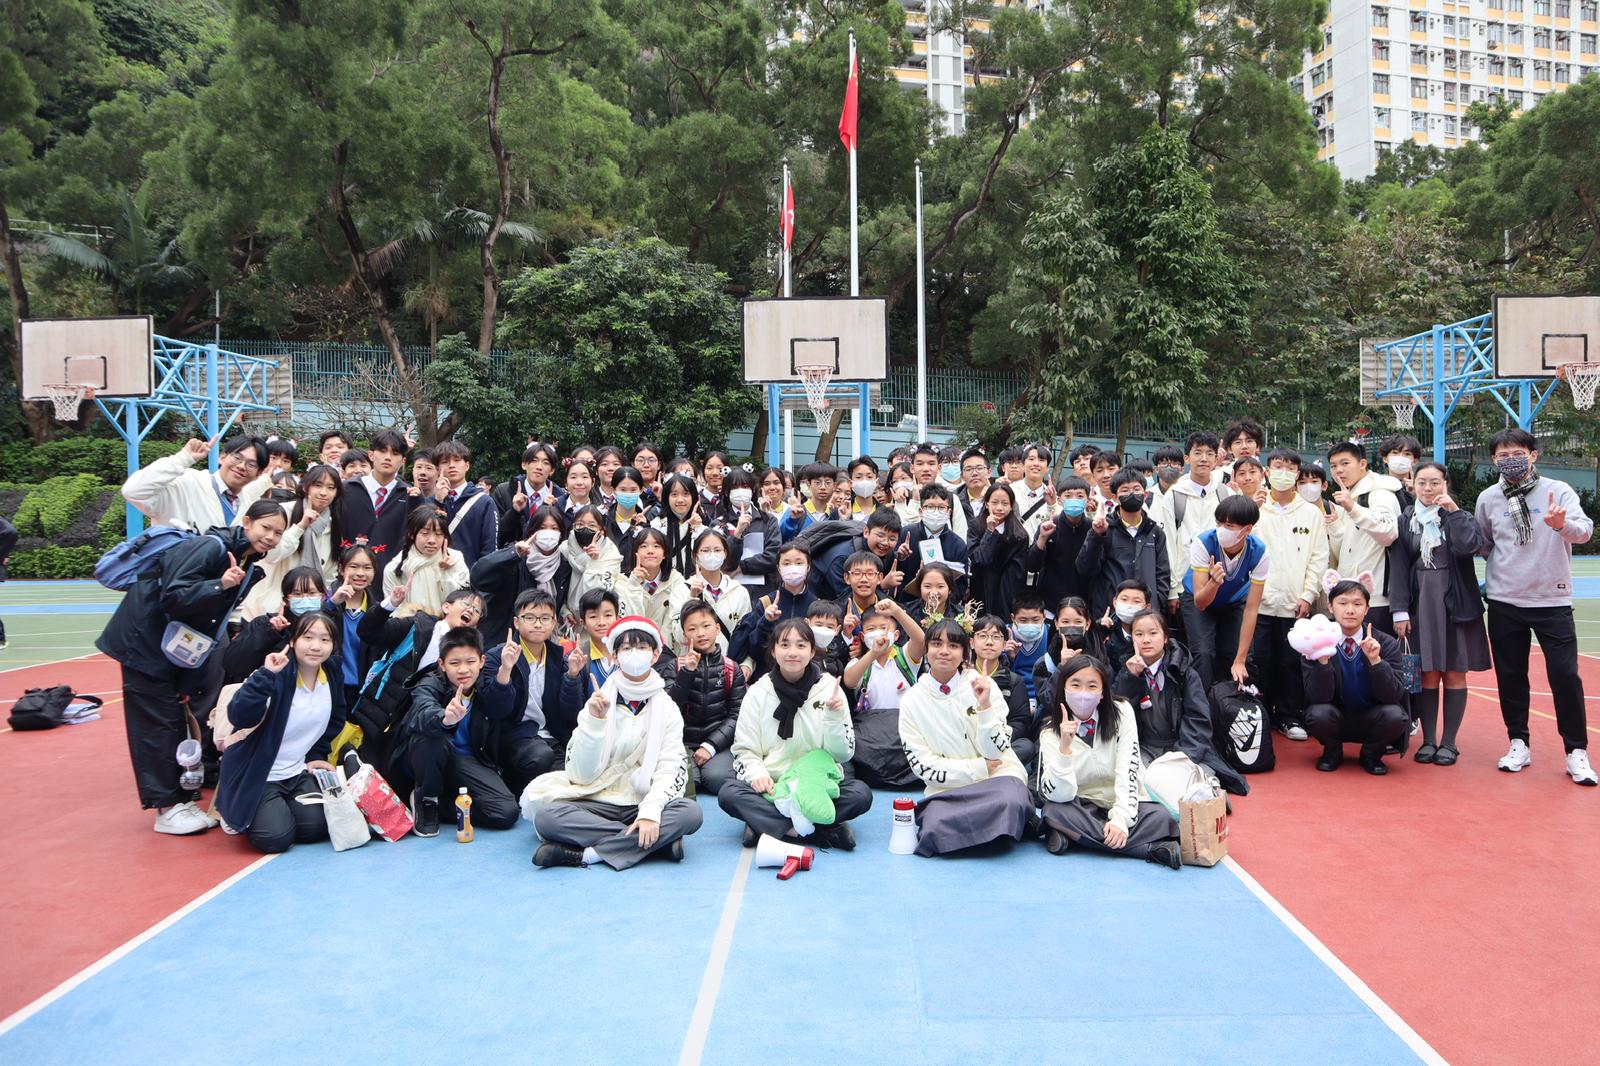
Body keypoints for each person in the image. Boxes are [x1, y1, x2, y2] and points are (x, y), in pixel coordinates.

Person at [96, 500, 286, 835]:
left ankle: (179, 801)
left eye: (278, 532)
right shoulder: (210, 547)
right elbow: (173, 595)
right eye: (265, 527)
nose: (270, 537)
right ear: (247, 522)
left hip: (172, 650)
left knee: (172, 722)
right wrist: (220, 584)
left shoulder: (244, 560)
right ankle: (166, 808)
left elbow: (207, 622)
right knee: (154, 726)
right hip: (145, 645)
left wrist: (187, 677)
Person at [525, 616, 703, 869]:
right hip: (599, 800)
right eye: (626, 648)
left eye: (642, 647)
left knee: (690, 813)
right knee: (547, 818)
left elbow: (670, 767)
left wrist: (650, 814)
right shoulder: (598, 702)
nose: (634, 654)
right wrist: (595, 723)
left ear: (655, 655)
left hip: (643, 800)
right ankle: (654, 843)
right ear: (615, 656)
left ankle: (587, 855)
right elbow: (580, 774)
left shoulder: (668, 709)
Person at [1474, 428, 1596, 784]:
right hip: (1504, 600)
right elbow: (1484, 543)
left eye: (1517, 453)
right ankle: (1518, 743)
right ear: (1494, 460)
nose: (1510, 460)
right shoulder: (1488, 498)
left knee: (1565, 676)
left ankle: (1576, 751)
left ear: (1533, 455)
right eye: (1502, 455)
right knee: (1511, 676)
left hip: (1551, 600)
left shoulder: (1559, 490)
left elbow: (1585, 531)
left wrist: (1562, 525)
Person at [719, 618, 872, 848]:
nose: (792, 652)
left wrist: (834, 717)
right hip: (773, 786)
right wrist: (757, 774)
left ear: (812, 651)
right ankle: (815, 831)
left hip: (816, 785)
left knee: (860, 793)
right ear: (773, 651)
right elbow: (745, 749)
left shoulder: (829, 689)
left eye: (801, 645)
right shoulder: (759, 692)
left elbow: (842, 754)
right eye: (784, 645)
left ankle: (766, 825)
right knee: (729, 793)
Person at [899, 619, 1033, 856]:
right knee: (935, 826)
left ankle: (994, 826)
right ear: (926, 649)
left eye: (953, 646)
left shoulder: (985, 686)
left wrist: (985, 708)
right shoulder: (912, 699)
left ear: (964, 652)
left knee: (1011, 800)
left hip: (997, 779)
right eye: (937, 644)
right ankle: (1002, 828)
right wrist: (978, 768)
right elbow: (922, 765)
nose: (944, 651)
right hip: (947, 788)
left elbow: (996, 751)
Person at [215, 613, 346, 852]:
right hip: (258, 772)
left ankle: (274, 809)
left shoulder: (332, 673)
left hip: (296, 771)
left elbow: (334, 720)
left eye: (325, 639)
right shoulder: (277, 672)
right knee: (275, 838)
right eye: (308, 637)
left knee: (316, 827)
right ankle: (235, 809)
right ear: (293, 641)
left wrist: (316, 756)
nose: (316, 646)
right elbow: (239, 716)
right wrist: (265, 676)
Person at [1035, 654, 1181, 868]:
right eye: (1075, 684)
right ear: (1063, 689)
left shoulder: (1122, 712)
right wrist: (1064, 749)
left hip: (1124, 801)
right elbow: (1059, 794)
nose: (1083, 693)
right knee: (1053, 812)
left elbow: (1128, 769)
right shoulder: (1050, 733)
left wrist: (1120, 820)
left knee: (1161, 817)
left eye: (1092, 686)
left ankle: (1078, 839)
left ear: (1103, 692)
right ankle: (1148, 850)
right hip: (1083, 805)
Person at [1391, 462, 1490, 766]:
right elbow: (1398, 566)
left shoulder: (1459, 516)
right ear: (1413, 484)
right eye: (1422, 482)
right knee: (1427, 672)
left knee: (1455, 671)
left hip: (1455, 601)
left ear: (1445, 483)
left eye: (1435, 482)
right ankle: (1429, 740)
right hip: (1421, 601)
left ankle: (1449, 742)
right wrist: (1399, 610)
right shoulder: (1406, 520)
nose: (1428, 488)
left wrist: (1454, 511)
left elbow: (1469, 547)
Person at [395, 625, 522, 836]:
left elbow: (501, 708)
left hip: (465, 761)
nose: (463, 670)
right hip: (426, 757)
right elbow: (422, 712)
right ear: (442, 664)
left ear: (482, 661)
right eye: (455, 663)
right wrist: (445, 718)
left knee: (505, 813)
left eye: (470, 662)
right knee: (434, 737)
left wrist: (506, 669)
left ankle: (442, 803)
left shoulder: (483, 684)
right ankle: (427, 800)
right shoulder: (430, 683)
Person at [351, 587, 486, 777]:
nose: (470, 610)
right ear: (446, 607)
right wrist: (390, 604)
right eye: (466, 603)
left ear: (476, 624)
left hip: (419, 722)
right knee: (366, 777)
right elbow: (368, 631)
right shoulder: (418, 626)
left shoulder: (471, 655)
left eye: (477, 610)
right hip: (382, 716)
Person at [1112, 608, 1243, 796]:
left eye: (1153, 633)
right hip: (1144, 749)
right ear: (1132, 638)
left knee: (1185, 781)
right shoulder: (1126, 669)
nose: (1146, 640)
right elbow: (1116, 714)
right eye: (1139, 634)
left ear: (1165, 637)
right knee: (1138, 783)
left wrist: (1180, 758)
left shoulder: (1184, 672)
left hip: (1182, 747)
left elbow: (1198, 720)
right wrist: (1130, 678)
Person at [1253, 449, 1330, 741]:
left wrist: (1308, 594)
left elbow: (1319, 558)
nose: (1283, 472)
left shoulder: (1311, 513)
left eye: (1289, 468)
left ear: (1297, 474)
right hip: (1258, 603)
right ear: (1267, 471)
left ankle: (1287, 716)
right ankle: (1259, 715)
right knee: (1259, 660)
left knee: (1290, 662)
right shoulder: (1255, 509)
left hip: (1295, 602)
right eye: (1277, 466)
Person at [1301, 577, 1409, 775]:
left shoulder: (1385, 643)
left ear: (1367, 609)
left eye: (1357, 604)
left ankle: (1371, 754)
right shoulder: (1315, 641)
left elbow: (1393, 695)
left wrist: (1376, 661)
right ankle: (1332, 751)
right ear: (1330, 607)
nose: (1350, 610)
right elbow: (1316, 697)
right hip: (1334, 716)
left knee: (1395, 716)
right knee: (1317, 714)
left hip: (1372, 717)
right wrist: (1323, 661)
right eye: (1342, 603)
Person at [1182, 495, 1268, 693]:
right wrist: (1213, 583)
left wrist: (1240, 660)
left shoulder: (1260, 552)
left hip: (1234, 602)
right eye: (1219, 523)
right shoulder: (1203, 542)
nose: (1221, 529)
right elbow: (1200, 603)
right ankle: (1200, 705)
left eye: (1229, 525)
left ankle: (1233, 703)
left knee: (1238, 654)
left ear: (1247, 529)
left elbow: (1251, 609)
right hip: (1198, 599)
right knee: (1203, 653)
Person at [485, 590, 568, 793]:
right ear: (516, 622)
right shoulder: (497, 656)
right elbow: (496, 710)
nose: (538, 624)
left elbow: (568, 710)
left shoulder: (558, 659)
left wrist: (573, 678)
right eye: (529, 618)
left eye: (545, 618)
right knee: (540, 757)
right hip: (514, 737)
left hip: (550, 736)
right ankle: (512, 785)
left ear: (554, 622)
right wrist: (505, 669)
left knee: (566, 781)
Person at [842, 600, 927, 787]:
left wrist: (897, 611)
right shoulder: (858, 663)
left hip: (904, 732)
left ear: (895, 635)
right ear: (863, 636)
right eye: (872, 629)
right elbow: (849, 681)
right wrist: (873, 653)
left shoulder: (906, 657)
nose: (879, 633)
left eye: (884, 628)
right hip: (871, 737)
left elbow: (921, 640)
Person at [241, 464, 342, 619]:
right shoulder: (282, 512)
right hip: (269, 605)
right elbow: (271, 554)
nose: (324, 492)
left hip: (309, 609)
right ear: (305, 487)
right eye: (318, 485)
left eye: (331, 487)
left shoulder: (332, 524)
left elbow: (329, 570)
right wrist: (300, 526)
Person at [672, 599, 747, 795]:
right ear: (684, 635)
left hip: (718, 744)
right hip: (681, 743)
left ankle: (704, 766)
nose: (700, 633)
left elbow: (737, 715)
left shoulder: (731, 669)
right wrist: (687, 673)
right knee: (688, 781)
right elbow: (668, 709)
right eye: (692, 629)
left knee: (717, 779)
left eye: (706, 626)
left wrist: (711, 746)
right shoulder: (674, 666)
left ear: (717, 628)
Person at [1325, 442, 1401, 634]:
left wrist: (1353, 508)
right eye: (1333, 466)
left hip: (1375, 599)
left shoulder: (1379, 493)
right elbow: (1346, 551)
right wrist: (1336, 526)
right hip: (1350, 594)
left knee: (1374, 649)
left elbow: (1389, 533)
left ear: (1362, 464)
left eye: (1345, 463)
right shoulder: (1351, 495)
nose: (1338, 470)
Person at [1078, 468, 1170, 621]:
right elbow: (1085, 569)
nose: (1132, 494)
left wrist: (1156, 602)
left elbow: (1163, 574)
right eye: (1125, 490)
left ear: (1145, 494)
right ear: (1115, 497)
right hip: (1110, 614)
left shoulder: (1155, 532)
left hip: (1146, 614)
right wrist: (1096, 535)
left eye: (1136, 489)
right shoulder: (1104, 528)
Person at [122, 434, 268, 530]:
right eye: (237, 458)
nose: (241, 466)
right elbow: (133, 491)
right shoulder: (186, 482)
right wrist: (183, 458)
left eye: (251, 464)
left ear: (259, 473)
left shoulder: (248, 506)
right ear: (222, 457)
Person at [1155, 431, 1229, 620]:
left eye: (1209, 453)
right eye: (1198, 453)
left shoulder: (1225, 493)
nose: (1204, 458)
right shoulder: (1174, 495)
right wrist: (1173, 590)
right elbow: (1169, 544)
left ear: (1216, 459)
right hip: (1185, 586)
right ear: (1187, 458)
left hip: (1222, 582)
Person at [471, 505, 573, 639]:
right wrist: (513, 553)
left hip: (539, 639)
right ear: (532, 531)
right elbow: (478, 577)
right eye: (542, 528)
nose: (548, 533)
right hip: (503, 637)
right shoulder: (516, 556)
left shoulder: (563, 565)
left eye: (554, 528)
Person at [223, 565, 329, 684]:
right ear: (285, 600)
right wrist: (270, 631)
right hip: (267, 690)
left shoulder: (328, 628)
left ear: (322, 597)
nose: (305, 599)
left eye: (312, 593)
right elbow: (233, 665)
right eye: (297, 594)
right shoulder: (264, 624)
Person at [729, 543, 818, 676]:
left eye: (799, 563)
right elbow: (754, 651)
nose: (793, 567)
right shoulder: (766, 602)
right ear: (779, 568)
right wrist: (766, 622)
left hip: (806, 678)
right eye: (786, 563)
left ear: (808, 566)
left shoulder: (816, 606)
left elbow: (821, 650)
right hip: (769, 678)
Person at [341, 429, 414, 580]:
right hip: (349, 577)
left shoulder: (409, 495)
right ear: (371, 455)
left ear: (403, 461)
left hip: (392, 579)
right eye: (382, 451)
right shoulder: (346, 490)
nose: (388, 457)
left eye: (395, 453)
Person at [970, 615, 1038, 766]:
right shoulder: (961, 676)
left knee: (1026, 746)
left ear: (1004, 645)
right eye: (982, 636)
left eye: (996, 637)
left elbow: (1020, 722)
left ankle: (988, 764)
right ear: (971, 643)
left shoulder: (1014, 681)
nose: (989, 642)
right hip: (966, 740)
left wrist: (997, 739)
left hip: (1000, 742)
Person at [381, 505, 471, 618]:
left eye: (438, 534)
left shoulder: (456, 559)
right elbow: (393, 613)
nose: (432, 540)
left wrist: (447, 574)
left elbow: (463, 604)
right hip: (410, 627)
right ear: (411, 534)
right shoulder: (394, 568)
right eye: (425, 533)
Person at [1027, 475, 1093, 609]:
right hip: (1050, 602)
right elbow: (1032, 565)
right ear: (1060, 500)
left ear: (1088, 500)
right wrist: (1042, 538)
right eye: (1068, 496)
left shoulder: (1093, 528)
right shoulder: (1049, 526)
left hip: (1084, 602)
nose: (1074, 500)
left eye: (1080, 496)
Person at [895, 483, 969, 599]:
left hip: (942, 606)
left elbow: (960, 586)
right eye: (930, 507)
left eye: (941, 507)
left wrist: (941, 599)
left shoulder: (958, 545)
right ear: (921, 511)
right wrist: (899, 556)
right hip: (907, 604)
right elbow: (892, 571)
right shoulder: (906, 534)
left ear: (949, 513)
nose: (936, 512)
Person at [431, 441, 498, 568]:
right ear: (438, 469)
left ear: (467, 465)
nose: (451, 465)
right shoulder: (430, 502)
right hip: (435, 573)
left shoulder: (484, 502)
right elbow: (427, 534)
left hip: (470, 576)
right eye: (445, 462)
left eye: (457, 460)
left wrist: (479, 575)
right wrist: (438, 501)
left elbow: (490, 547)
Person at [617, 527, 689, 644]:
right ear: (635, 552)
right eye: (644, 546)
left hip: (668, 649)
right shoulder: (622, 582)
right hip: (635, 646)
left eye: (656, 546)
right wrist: (634, 585)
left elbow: (675, 622)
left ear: (664, 554)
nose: (650, 551)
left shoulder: (676, 580)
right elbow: (630, 620)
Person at [327, 545, 379, 709]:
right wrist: (331, 604)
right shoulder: (327, 603)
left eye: (367, 568)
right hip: (329, 687)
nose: (360, 573)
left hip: (362, 693)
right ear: (341, 569)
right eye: (354, 566)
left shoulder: (378, 612)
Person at [682, 528, 751, 648]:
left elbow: (746, 634)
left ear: (725, 553)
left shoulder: (740, 592)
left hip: (729, 659)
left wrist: (740, 660)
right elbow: (679, 636)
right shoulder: (682, 589)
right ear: (696, 555)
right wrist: (692, 598)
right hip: (693, 658)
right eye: (705, 550)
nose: (712, 555)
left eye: (717, 550)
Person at [970, 484, 1028, 619]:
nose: (999, 508)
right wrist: (990, 531)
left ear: (1011, 506)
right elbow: (979, 558)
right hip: (981, 590)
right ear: (987, 504)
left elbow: (1017, 575)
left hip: (1006, 595)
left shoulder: (1019, 535)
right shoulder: (976, 526)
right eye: (994, 503)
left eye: (1005, 503)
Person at [495, 441, 566, 547]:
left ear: (552, 470)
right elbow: (497, 535)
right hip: (513, 554)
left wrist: (547, 507)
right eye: (534, 461)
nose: (539, 467)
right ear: (524, 464)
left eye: (546, 463)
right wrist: (514, 511)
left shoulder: (559, 497)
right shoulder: (504, 491)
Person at [1009, 443, 1056, 540]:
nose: (1036, 463)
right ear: (1023, 465)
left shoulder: (1053, 498)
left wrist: (1052, 505)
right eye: (1031, 459)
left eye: (1041, 460)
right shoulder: (1010, 491)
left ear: (1048, 468)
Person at [955, 447, 992, 541]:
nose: (974, 473)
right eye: (968, 469)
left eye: (979, 468)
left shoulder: (1003, 498)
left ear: (989, 472)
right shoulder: (953, 500)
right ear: (962, 476)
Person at [1378, 434, 1423, 509]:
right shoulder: (1376, 484)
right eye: (1395, 453)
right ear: (1385, 458)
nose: (1400, 457)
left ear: (1415, 461)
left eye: (1407, 454)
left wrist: (1417, 494)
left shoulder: (1423, 487)